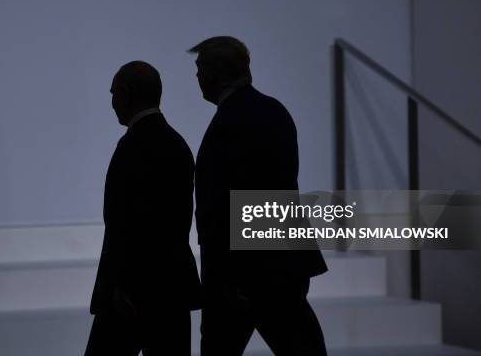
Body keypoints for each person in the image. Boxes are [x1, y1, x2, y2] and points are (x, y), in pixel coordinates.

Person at [189, 36, 328, 355]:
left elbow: (228, 203)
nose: (197, 78)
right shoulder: (272, 111)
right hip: (278, 264)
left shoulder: (231, 121)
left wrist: (233, 275)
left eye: (200, 69)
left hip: (244, 273)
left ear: (215, 73)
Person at [85, 61, 201, 355]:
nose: (112, 103)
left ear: (126, 93)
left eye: (113, 94)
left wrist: (122, 285)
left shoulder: (133, 146)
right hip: (172, 286)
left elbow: (127, 223)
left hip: (133, 291)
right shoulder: (176, 143)